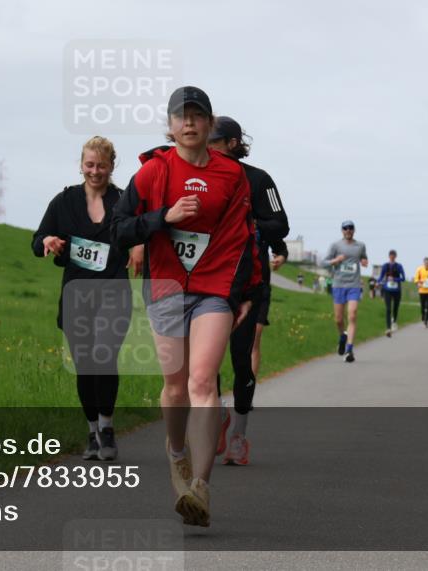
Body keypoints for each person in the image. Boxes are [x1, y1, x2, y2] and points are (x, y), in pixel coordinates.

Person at [112, 86, 257, 527]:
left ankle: (201, 487)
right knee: (175, 387)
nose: (189, 123)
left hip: (214, 288)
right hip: (166, 288)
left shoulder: (232, 176)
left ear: (210, 124)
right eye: (181, 116)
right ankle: (177, 453)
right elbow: (119, 230)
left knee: (202, 381)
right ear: (170, 125)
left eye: (198, 116)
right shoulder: (152, 173)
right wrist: (164, 218)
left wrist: (245, 293)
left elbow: (243, 237)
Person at [32, 136, 143, 462]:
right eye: (90, 165)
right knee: (84, 365)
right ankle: (92, 431)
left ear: (112, 166)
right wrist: (48, 240)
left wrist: (139, 245)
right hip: (77, 293)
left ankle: (108, 428)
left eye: (102, 166)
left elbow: (141, 231)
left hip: (113, 291)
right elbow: (37, 241)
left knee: (104, 355)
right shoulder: (63, 202)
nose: (95, 171)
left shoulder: (123, 201)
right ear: (81, 165)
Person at [208, 116, 290, 466]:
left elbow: (280, 224)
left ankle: (239, 434)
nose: (205, 147)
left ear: (232, 143)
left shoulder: (258, 179)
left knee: (241, 360)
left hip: (248, 281)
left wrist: (248, 222)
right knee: (205, 363)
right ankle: (216, 418)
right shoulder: (199, 179)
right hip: (207, 280)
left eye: (213, 141)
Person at [322, 220, 368, 363]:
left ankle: (349, 349)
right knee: (338, 319)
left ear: (354, 230)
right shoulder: (336, 245)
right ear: (342, 230)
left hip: (354, 285)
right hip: (338, 285)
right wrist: (335, 260)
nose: (348, 230)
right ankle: (343, 336)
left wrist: (364, 261)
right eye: (345, 228)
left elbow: (364, 257)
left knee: (352, 315)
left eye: (350, 228)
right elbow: (323, 262)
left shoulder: (360, 246)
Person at [377, 249, 406, 337]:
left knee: (395, 308)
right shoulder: (385, 266)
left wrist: (395, 279)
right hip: (387, 290)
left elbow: (403, 278)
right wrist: (377, 282)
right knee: (388, 309)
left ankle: (394, 321)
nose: (392, 257)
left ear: (395, 256)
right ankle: (388, 328)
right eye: (391, 255)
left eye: (393, 255)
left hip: (397, 290)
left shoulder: (399, 266)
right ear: (389, 256)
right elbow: (381, 276)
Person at [414, 257, 428, 327]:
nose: (427, 263)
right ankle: (423, 315)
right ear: (423, 262)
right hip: (422, 290)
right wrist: (419, 282)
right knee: (423, 306)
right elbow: (416, 279)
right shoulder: (419, 269)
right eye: (425, 262)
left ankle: (426, 320)